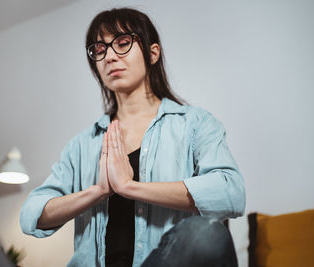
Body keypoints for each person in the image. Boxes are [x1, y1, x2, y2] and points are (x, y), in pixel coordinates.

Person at [20, 7, 245, 267]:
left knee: (206, 234)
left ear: (152, 54)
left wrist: (130, 187)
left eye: (123, 43)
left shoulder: (195, 124)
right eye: (99, 50)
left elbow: (231, 192)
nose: (109, 57)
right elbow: (31, 215)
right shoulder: (82, 144)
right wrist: (98, 191)